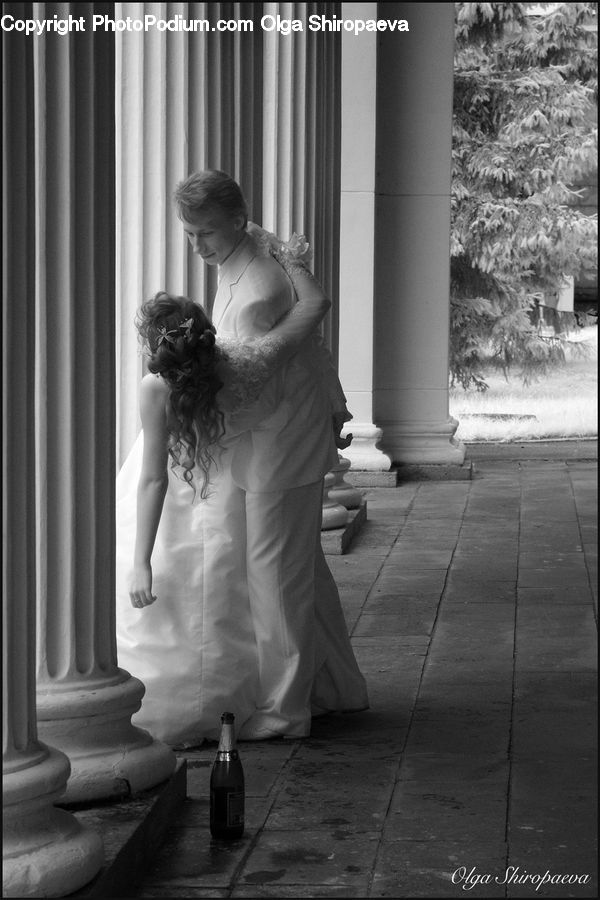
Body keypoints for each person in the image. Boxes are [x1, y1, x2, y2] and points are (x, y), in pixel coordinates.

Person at [116, 174, 368, 745]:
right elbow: (308, 304)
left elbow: (264, 370)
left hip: (280, 446)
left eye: (205, 233)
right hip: (262, 435)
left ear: (236, 219)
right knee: (302, 569)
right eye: (188, 233)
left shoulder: (256, 297)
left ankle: (285, 711)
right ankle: (335, 687)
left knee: (276, 578)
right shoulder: (246, 243)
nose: (196, 246)